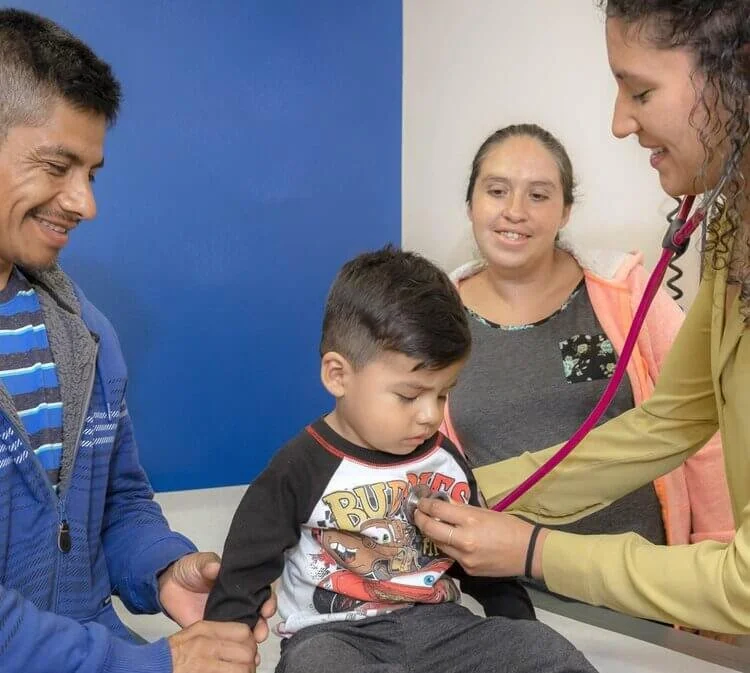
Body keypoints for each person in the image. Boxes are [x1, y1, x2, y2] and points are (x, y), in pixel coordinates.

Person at [415, 0, 750, 634]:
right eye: (495, 190)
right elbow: (665, 424)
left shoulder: (620, 291)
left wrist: (532, 549)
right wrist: (465, 496)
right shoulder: (736, 241)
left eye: (641, 91)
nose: (620, 122)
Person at [0, 9, 272, 673]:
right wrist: (151, 664)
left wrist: (165, 567)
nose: (84, 202)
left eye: (91, 172)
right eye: (58, 165)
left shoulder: (85, 332)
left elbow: (117, 502)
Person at [205, 246, 598, 673]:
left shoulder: (444, 462)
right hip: (337, 637)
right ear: (338, 375)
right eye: (409, 396)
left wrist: (517, 634)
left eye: (443, 394)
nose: (431, 415)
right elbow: (244, 569)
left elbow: (481, 560)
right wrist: (223, 648)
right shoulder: (299, 468)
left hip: (442, 628)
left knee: (543, 648)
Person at [442, 124, 733, 571]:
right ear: (470, 204)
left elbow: (702, 428)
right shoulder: (432, 318)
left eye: (538, 195)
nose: (514, 211)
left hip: (634, 588)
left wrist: (717, 548)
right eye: (497, 191)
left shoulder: (625, 293)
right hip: (497, 600)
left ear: (565, 212)